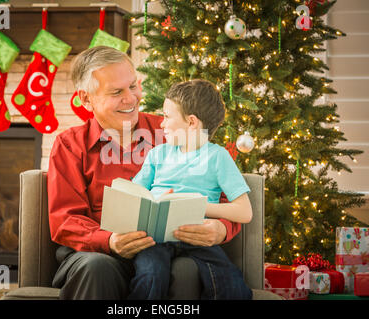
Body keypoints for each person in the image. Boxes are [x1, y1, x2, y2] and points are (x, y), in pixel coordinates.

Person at [47, 46, 243, 299]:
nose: (131, 99)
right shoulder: (70, 145)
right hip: (99, 254)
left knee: (185, 270)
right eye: (117, 92)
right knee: (96, 267)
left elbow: (227, 194)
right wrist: (109, 241)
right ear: (86, 99)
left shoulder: (171, 130)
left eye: (133, 86)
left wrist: (221, 227)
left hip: (168, 250)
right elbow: (66, 219)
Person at [128, 79, 253, 300]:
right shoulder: (158, 155)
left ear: (192, 122)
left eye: (167, 116)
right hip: (156, 237)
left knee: (232, 284)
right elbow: (134, 194)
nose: (162, 124)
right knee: (151, 274)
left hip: (197, 237)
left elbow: (244, 212)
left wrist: (200, 207)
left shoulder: (218, 157)